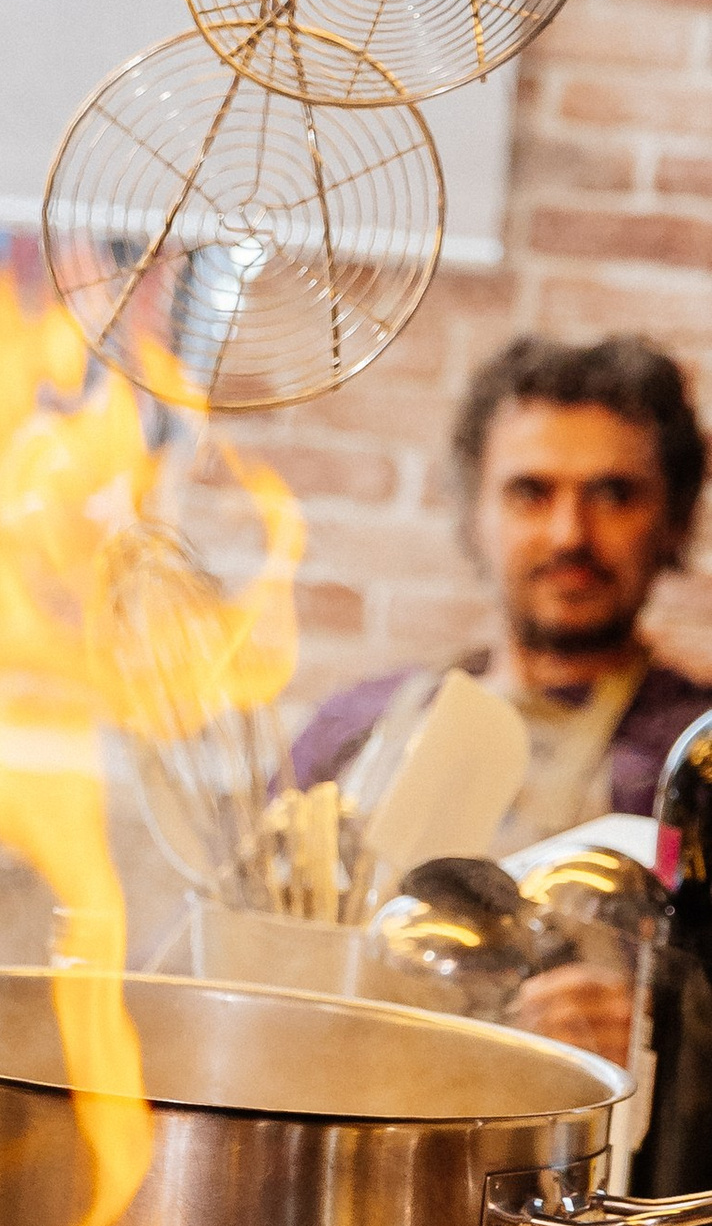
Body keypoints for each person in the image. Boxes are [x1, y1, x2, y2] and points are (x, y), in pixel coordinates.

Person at [291, 332, 712, 1060]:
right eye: (531, 491)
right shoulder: (351, 734)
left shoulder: (698, 765)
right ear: (473, 512)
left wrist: (666, 1047)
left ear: (672, 519)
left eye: (614, 494)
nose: (568, 532)